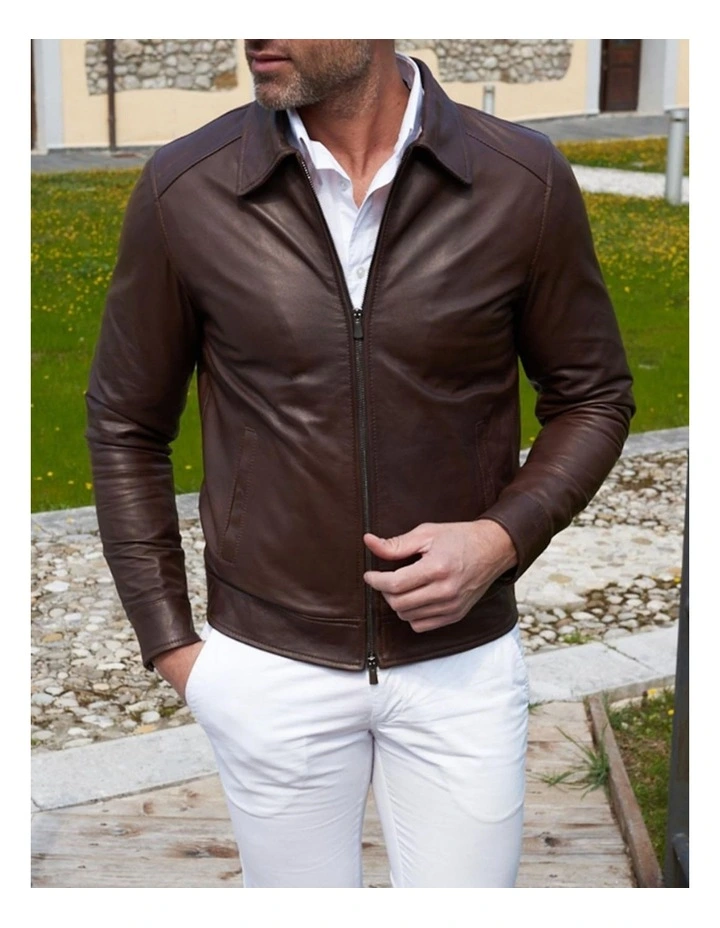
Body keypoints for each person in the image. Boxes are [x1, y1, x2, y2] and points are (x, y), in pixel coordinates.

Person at [86, 39, 634, 888]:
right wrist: (173, 649)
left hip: (461, 665)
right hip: (268, 665)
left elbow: (594, 396)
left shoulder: (520, 180)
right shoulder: (187, 186)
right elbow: (125, 422)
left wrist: (500, 538)